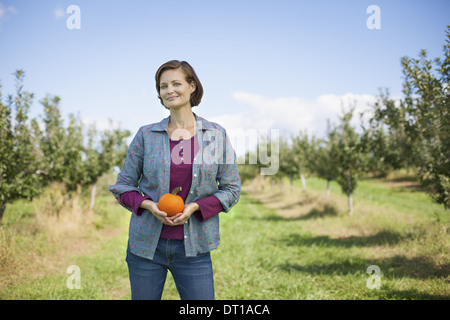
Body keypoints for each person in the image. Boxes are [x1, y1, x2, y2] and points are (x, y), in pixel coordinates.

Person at [109, 60, 241, 300]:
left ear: (192, 86)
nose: (169, 90)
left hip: (195, 249)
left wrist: (195, 207)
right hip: (146, 246)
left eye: (176, 83)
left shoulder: (215, 134)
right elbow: (123, 186)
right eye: (163, 86)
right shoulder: (146, 135)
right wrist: (150, 206)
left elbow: (232, 189)